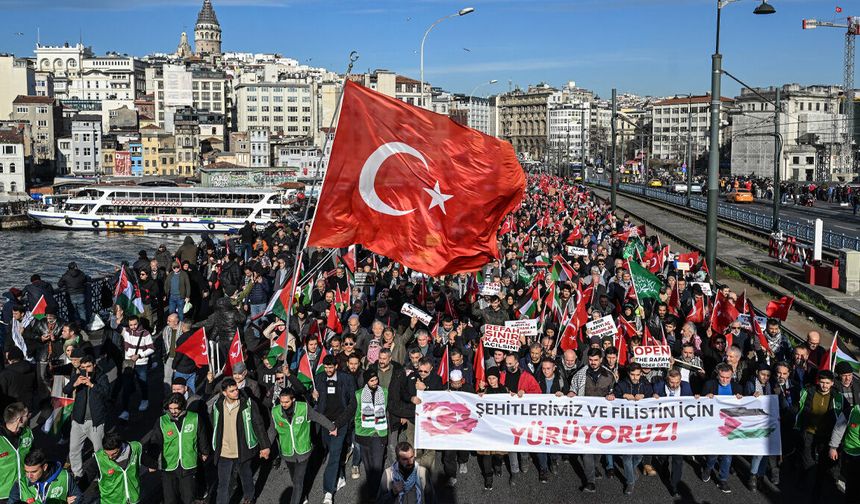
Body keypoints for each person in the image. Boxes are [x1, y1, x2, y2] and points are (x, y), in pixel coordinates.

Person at [269, 388, 336, 504]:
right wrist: (265, 447)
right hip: (287, 452)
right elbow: (271, 431)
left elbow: (318, 417)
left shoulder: (303, 408)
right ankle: (302, 495)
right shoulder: (275, 412)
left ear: (293, 400)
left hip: (303, 451)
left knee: (298, 481)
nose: (283, 404)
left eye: (286, 402)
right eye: (281, 401)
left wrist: (332, 427)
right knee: (294, 478)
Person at [210, 378, 270, 504]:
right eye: (232, 391)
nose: (236, 392)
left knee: (246, 478)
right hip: (224, 452)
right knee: (223, 485)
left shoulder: (248, 404)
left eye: (236, 389)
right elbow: (214, 424)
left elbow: (258, 424)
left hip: (242, 450)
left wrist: (265, 446)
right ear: (224, 393)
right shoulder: (217, 406)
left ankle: (249, 497)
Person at [143, 393, 210, 504]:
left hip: (188, 465)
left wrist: (205, 451)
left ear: (182, 406)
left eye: (176, 408)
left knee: (188, 498)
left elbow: (202, 436)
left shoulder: (194, 418)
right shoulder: (162, 421)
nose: (173, 411)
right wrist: (152, 462)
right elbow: (155, 442)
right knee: (170, 499)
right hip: (169, 466)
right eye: (171, 409)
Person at [312, 355, 357, 504]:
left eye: (331, 367)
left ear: (336, 366)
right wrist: (313, 397)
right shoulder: (319, 378)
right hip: (324, 423)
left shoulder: (347, 379)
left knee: (334, 456)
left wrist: (336, 424)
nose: (328, 370)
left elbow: (352, 404)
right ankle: (341, 476)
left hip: (340, 423)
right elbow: (316, 402)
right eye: (326, 367)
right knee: (330, 450)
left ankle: (328, 492)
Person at [571, 348, 616, 492]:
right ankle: (590, 481)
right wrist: (572, 392)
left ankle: (594, 466)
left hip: (602, 420)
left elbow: (614, 392)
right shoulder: (580, 374)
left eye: (596, 360)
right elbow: (573, 388)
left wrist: (612, 396)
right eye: (590, 360)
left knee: (599, 448)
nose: (593, 363)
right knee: (587, 450)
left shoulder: (609, 376)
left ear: (601, 360)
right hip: (585, 420)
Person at [795, 369, 843, 495]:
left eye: (827, 383)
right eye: (822, 382)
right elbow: (798, 407)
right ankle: (801, 484)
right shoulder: (808, 392)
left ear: (832, 383)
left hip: (826, 435)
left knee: (823, 463)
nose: (824, 385)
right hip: (809, 432)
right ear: (818, 381)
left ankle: (818, 489)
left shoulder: (838, 397)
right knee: (806, 460)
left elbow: (844, 414)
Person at [63, 355, 109, 479]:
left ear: (94, 365)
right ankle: (77, 474)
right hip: (78, 421)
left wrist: (92, 385)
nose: (86, 370)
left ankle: (100, 474)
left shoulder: (101, 377)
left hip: (95, 421)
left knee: (99, 451)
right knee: (74, 450)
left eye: (88, 366)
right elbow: (66, 390)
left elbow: (106, 393)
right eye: (83, 367)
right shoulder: (77, 377)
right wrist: (75, 384)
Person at [701, 363, 744, 493]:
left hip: (729, 425)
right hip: (714, 424)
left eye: (728, 377)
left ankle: (723, 479)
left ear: (732, 376)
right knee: (713, 453)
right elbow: (700, 405)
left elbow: (743, 406)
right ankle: (709, 467)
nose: (725, 380)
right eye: (722, 377)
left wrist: (741, 399)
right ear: (717, 375)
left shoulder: (737, 387)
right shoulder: (710, 385)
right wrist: (706, 398)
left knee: (727, 455)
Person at [652, 369, 694, 496]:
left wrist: (696, 399)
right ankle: (663, 469)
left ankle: (674, 485)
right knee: (663, 457)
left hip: (679, 428)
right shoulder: (658, 386)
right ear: (667, 380)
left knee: (678, 459)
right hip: (663, 427)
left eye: (677, 382)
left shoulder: (686, 386)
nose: (675, 385)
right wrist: (653, 397)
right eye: (672, 382)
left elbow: (691, 404)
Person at [353, 368, 389, 501]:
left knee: (378, 465)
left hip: (379, 433)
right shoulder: (358, 394)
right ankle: (372, 492)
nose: (375, 382)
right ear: (366, 381)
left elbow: (388, 412)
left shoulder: (384, 392)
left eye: (376, 379)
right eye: (371, 380)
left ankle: (375, 493)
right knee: (368, 466)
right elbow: (356, 415)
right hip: (364, 434)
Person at [82, 432, 144, 504]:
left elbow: (146, 459)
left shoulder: (135, 448)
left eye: (114, 454)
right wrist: (74, 493)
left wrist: (154, 466)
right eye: (107, 454)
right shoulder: (99, 458)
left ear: (120, 447)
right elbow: (87, 477)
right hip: (111, 501)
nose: (110, 457)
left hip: (133, 498)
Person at [10, 448, 80, 504]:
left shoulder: (64, 477)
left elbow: (78, 497)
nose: (29, 476)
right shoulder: (20, 484)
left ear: (44, 467)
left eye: (34, 472)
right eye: (26, 471)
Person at [119, 315, 156, 420]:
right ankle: (125, 411)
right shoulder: (125, 331)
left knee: (142, 382)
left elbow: (151, 349)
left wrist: (140, 355)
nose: (133, 327)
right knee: (126, 387)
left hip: (141, 363)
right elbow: (114, 326)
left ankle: (145, 399)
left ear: (138, 323)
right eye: (131, 325)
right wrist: (115, 316)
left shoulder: (145, 334)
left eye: (135, 324)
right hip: (128, 363)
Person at [830, 395, 860, 504]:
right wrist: (833, 447)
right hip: (851, 455)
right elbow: (838, 430)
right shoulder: (851, 411)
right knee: (852, 483)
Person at [0, 403, 33, 501]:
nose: (29, 417)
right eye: (27, 416)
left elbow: (34, 456)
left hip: (24, 490)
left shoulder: (27, 433)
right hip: (3, 494)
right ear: (20, 420)